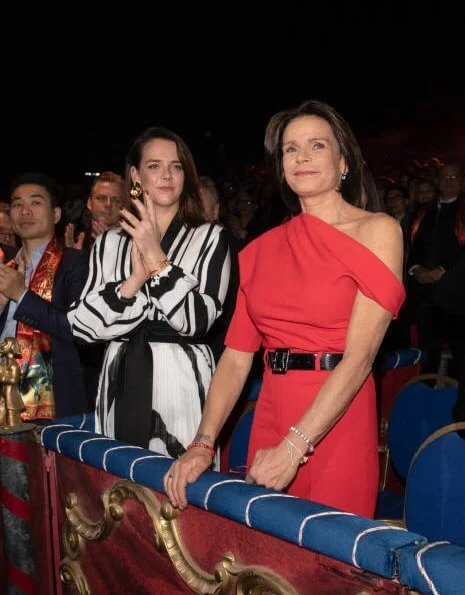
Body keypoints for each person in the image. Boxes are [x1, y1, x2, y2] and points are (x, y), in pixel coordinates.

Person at [164, 99, 404, 518]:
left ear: (343, 161)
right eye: (291, 149)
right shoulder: (258, 251)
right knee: (270, 565)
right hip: (272, 411)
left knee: (328, 562)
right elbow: (236, 359)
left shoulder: (378, 231)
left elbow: (361, 358)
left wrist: (295, 447)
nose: (302, 158)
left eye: (316, 146)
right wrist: (203, 443)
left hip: (337, 417)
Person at [70, 127, 232, 457]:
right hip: (120, 375)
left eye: (176, 166)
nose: (167, 175)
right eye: (154, 166)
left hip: (184, 380)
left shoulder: (210, 238)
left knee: (178, 496)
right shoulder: (108, 242)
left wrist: (155, 259)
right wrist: (134, 281)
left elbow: (196, 321)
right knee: (118, 494)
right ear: (135, 175)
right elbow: (81, 327)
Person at [0, 172, 89, 420]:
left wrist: (21, 295)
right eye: (17, 204)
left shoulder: (75, 263)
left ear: (56, 214)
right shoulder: (5, 267)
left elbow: (79, 331)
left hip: (55, 407)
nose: (25, 211)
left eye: (35, 203)